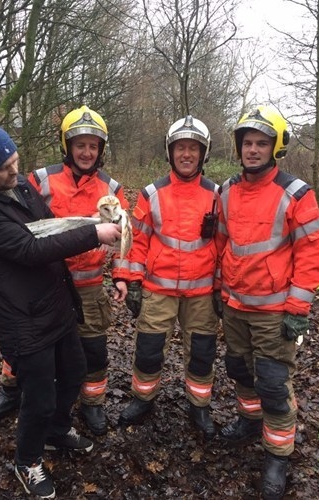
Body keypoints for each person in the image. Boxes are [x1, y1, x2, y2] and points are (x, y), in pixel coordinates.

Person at [0, 124, 122, 499]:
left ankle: (56, 433)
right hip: (22, 317)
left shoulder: (19, 186)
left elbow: (49, 225)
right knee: (40, 395)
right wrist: (95, 234)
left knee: (76, 370)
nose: (15, 172)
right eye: (5, 168)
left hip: (55, 302)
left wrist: (91, 221)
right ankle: (27, 459)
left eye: (15, 162)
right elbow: (30, 248)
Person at [0, 105, 130, 437]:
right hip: (44, 281)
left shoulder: (111, 188)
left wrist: (120, 274)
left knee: (92, 349)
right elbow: (15, 221)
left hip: (88, 284)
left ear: (101, 149)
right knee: (29, 347)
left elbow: (123, 234)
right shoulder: (41, 179)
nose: (87, 152)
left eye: (93, 145)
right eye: (80, 144)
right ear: (67, 145)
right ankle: (10, 393)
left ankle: (92, 404)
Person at [213, 106, 319, 499]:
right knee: (239, 370)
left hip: (275, 311)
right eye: (248, 143)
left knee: (274, 384)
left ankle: (277, 454)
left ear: (275, 148)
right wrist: (217, 290)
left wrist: (297, 310)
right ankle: (249, 418)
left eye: (261, 143)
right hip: (236, 306)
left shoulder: (296, 193)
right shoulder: (226, 191)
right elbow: (222, 245)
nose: (253, 150)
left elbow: (312, 254)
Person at [118, 115, 219, 440]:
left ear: (204, 154)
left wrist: (222, 287)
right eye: (180, 148)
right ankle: (143, 398)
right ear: (170, 152)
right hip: (158, 289)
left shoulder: (218, 194)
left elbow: (225, 244)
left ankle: (199, 405)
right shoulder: (152, 193)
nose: (186, 154)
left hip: (202, 291)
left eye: (193, 148)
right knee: (148, 349)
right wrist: (131, 279)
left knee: (202, 353)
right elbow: (137, 240)